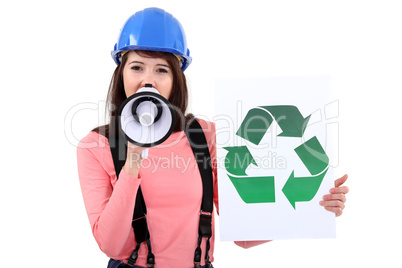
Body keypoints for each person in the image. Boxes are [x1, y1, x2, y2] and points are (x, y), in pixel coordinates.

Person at [77, 7, 349, 268]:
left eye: (162, 69)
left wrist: (314, 206)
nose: (148, 80)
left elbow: (243, 234)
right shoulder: (95, 146)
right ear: (121, 73)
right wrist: (133, 158)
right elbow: (110, 244)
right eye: (137, 67)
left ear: (176, 79)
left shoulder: (205, 136)